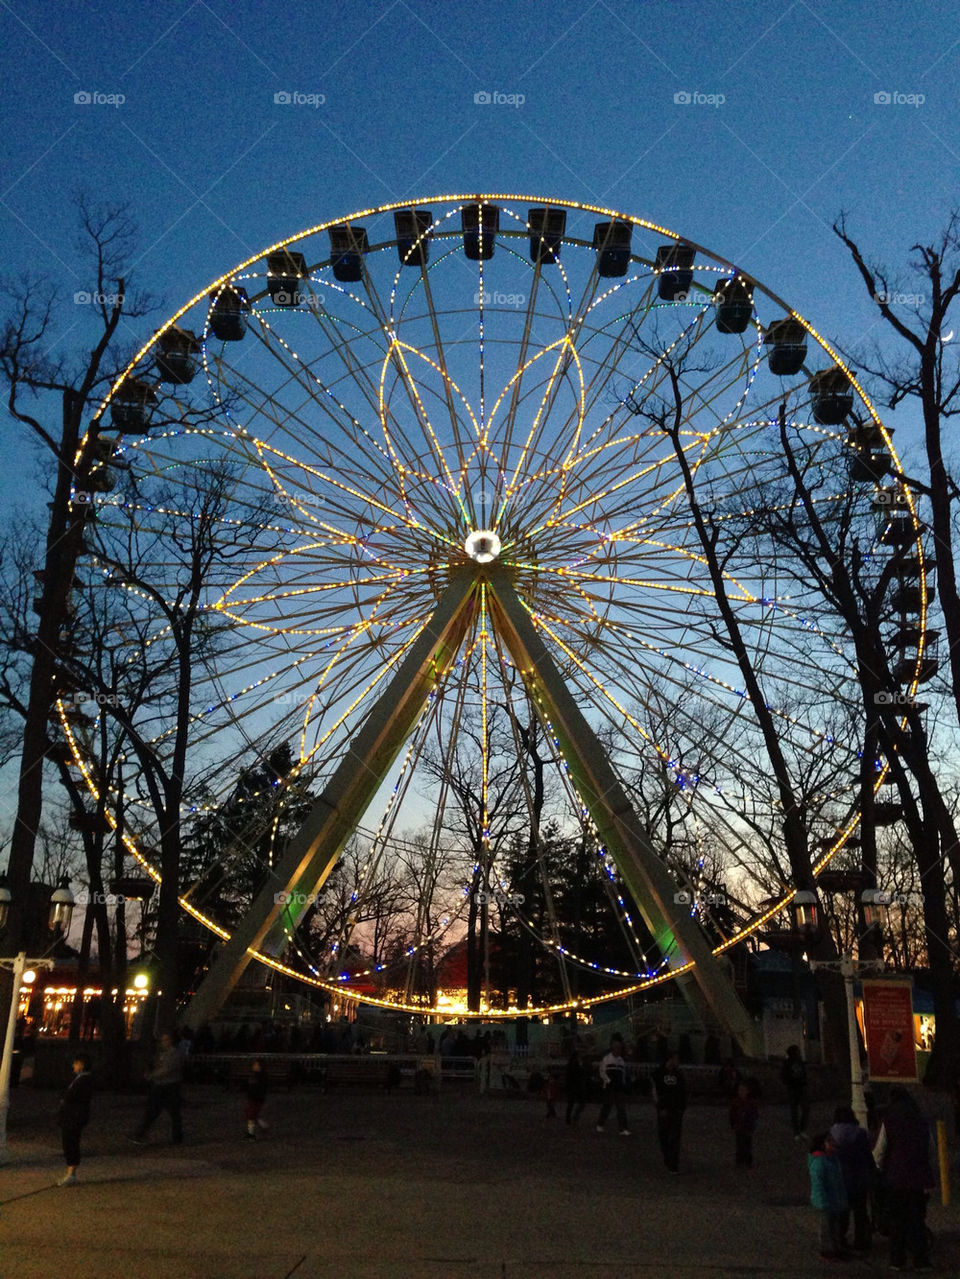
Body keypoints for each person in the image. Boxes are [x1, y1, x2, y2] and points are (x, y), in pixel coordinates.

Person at [873, 1087, 936, 1271]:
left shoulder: (890, 1121)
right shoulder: (922, 1122)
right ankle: (920, 1260)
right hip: (918, 1179)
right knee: (917, 1219)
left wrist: (879, 1169)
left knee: (897, 1221)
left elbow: (880, 1151)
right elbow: (930, 1150)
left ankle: (897, 1260)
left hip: (896, 1178)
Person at [829, 1104, 873, 1252]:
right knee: (860, 1212)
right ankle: (860, 1243)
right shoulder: (861, 1134)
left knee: (842, 1213)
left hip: (840, 1180)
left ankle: (840, 1240)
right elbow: (868, 1156)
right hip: (859, 1179)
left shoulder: (830, 1136)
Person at [131, 1031, 183, 1144]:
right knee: (157, 1110)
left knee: (171, 1112)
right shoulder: (164, 1053)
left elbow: (167, 1069)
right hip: (162, 1084)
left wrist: (152, 1076)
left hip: (169, 1085)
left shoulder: (173, 1053)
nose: (163, 1042)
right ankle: (140, 1133)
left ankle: (177, 1137)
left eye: (166, 1040)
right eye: (163, 1040)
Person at [808, 1131, 849, 1262]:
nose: (834, 1144)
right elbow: (818, 1185)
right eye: (830, 1142)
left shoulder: (832, 1159)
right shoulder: (820, 1163)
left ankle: (836, 1249)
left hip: (836, 1200)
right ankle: (826, 1251)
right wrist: (822, 1202)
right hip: (827, 1202)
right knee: (827, 1227)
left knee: (836, 1226)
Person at [56, 1052, 93, 1186]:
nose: (73, 1066)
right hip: (72, 1116)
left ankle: (71, 1173)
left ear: (81, 1065)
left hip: (74, 1117)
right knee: (69, 1142)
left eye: (76, 1063)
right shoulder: (80, 1079)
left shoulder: (84, 1081)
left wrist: (65, 1100)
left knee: (71, 1143)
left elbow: (72, 1097)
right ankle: (70, 1172)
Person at [652, 1052, 686, 1173]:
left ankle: (673, 1163)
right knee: (664, 1136)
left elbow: (683, 1091)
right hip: (664, 1109)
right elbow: (656, 1091)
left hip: (676, 1110)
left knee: (675, 1137)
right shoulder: (659, 1074)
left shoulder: (679, 1074)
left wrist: (682, 1107)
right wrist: (660, 1108)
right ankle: (668, 1157)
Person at [596, 1035, 630, 1135]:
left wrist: (623, 1084)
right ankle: (600, 1124)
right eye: (616, 1047)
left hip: (618, 1087)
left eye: (619, 1048)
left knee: (621, 1108)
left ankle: (623, 1128)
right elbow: (602, 1071)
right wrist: (608, 1081)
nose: (618, 1050)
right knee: (607, 1106)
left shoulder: (621, 1061)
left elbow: (623, 1074)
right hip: (610, 1087)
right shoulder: (607, 1059)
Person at [728, 1079, 759, 1169]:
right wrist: (733, 1123)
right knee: (739, 1143)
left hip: (747, 1126)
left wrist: (752, 1124)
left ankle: (747, 1160)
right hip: (739, 1126)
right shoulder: (736, 1102)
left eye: (743, 1090)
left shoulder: (751, 1103)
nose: (741, 1092)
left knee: (747, 1144)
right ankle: (740, 1160)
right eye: (740, 1090)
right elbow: (732, 1114)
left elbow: (754, 1114)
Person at [781, 1044, 809, 1140]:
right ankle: (796, 1132)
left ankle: (802, 1129)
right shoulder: (787, 1063)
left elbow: (804, 1073)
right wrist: (789, 1084)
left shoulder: (800, 1062)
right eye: (797, 1051)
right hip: (793, 1089)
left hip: (801, 1088)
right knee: (794, 1111)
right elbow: (784, 1075)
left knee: (805, 1108)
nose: (799, 1052)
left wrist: (804, 1083)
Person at [244, 1058, 269, 1140]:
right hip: (253, 1098)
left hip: (256, 1099)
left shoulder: (261, 1076)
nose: (254, 1066)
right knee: (251, 1116)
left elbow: (261, 1089)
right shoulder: (254, 1075)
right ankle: (258, 1127)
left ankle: (251, 1134)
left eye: (256, 1065)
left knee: (251, 1116)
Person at [565, 1045, 588, 1125]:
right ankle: (571, 1118)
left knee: (572, 1103)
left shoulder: (576, 1062)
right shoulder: (575, 1062)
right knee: (574, 1102)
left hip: (575, 1085)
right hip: (575, 1085)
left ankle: (570, 1118)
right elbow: (577, 1073)